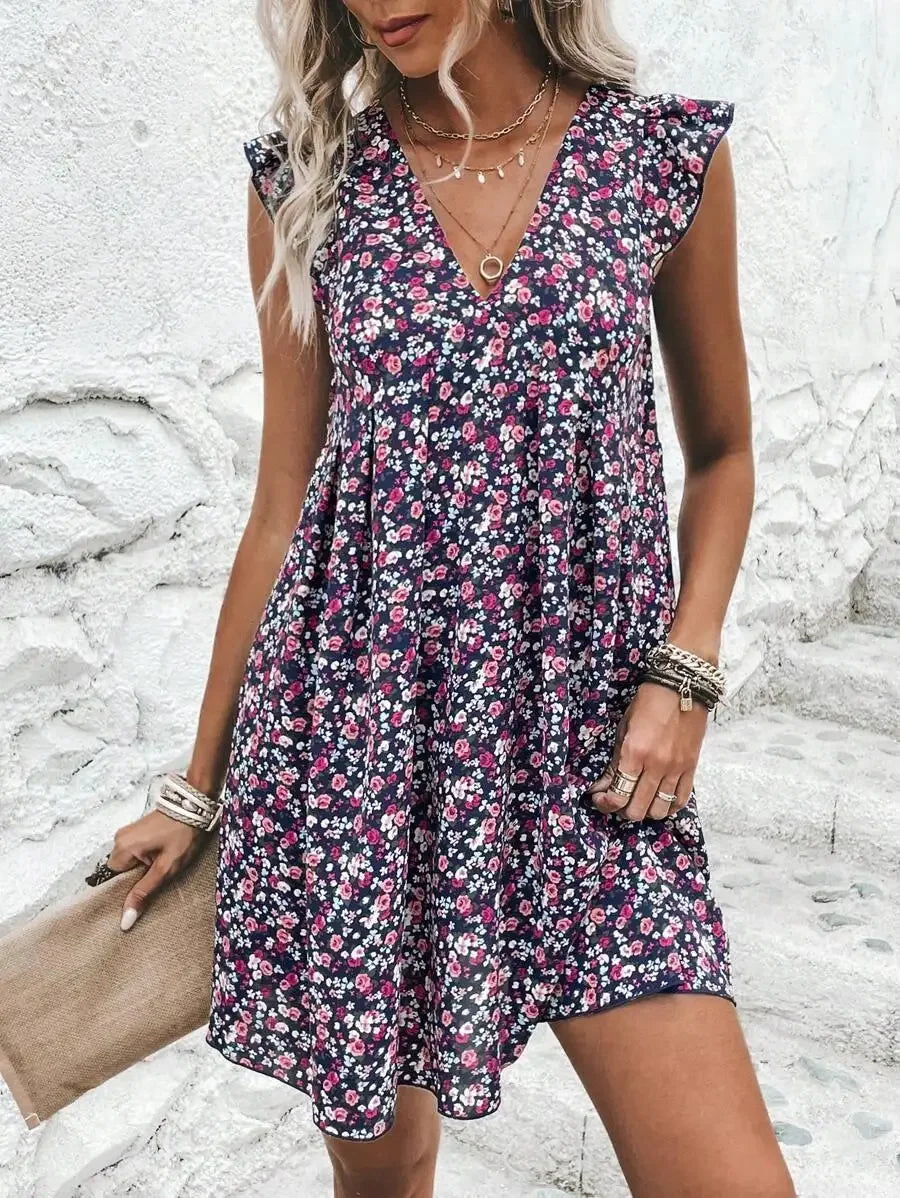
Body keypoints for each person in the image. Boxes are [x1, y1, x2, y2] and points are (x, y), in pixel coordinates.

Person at [109, 2, 796, 1195]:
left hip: (593, 762)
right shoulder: (309, 186)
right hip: (368, 761)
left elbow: (725, 453)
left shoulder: (658, 157)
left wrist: (685, 671)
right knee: (388, 1171)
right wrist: (196, 787)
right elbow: (281, 508)